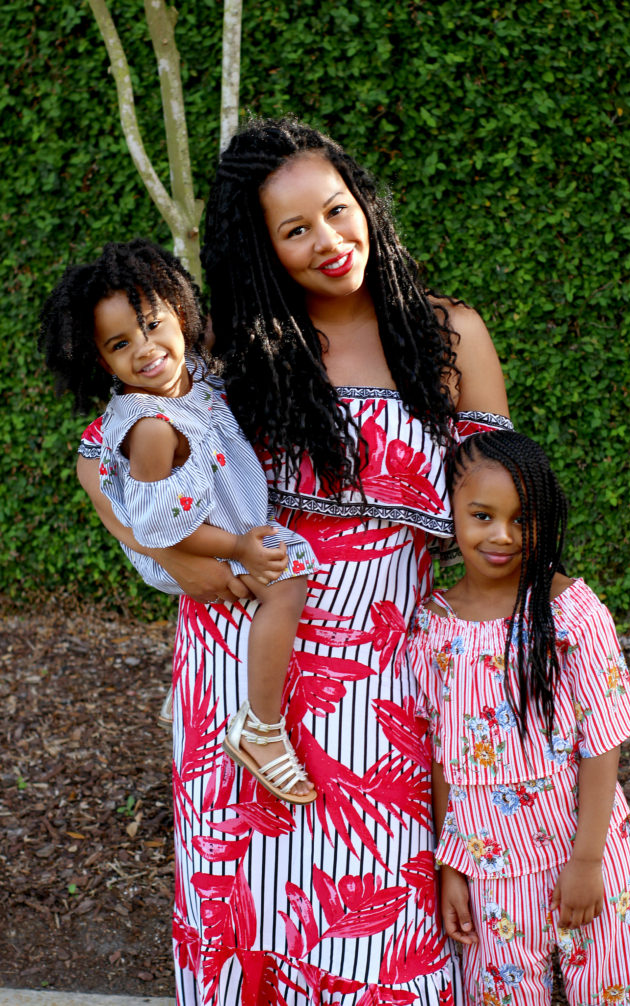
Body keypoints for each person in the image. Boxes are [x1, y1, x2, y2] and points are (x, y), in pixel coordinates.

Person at [76, 118, 512, 1005]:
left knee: (373, 922)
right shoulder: (237, 356)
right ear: (265, 246)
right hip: (240, 669)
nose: (329, 243)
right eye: (296, 230)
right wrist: (165, 555)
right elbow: (104, 458)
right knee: (248, 916)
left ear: (366, 209)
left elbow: (503, 501)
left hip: (383, 684)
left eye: (337, 212)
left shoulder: (449, 336)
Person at [40, 238, 318, 804]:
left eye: (153, 323)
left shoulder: (190, 370)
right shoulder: (153, 428)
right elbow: (164, 531)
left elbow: (90, 458)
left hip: (197, 519)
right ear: (102, 361)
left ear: (181, 313)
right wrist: (239, 548)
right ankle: (260, 728)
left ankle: (207, 698)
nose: (145, 348)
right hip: (183, 539)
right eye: (120, 344)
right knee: (285, 584)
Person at [408, 430, 630, 1003]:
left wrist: (587, 861)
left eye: (522, 518)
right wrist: (450, 869)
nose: (503, 536)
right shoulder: (433, 626)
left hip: (590, 856)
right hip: (493, 876)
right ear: (450, 512)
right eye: (483, 515)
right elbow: (444, 758)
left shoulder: (571, 614)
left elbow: (601, 741)